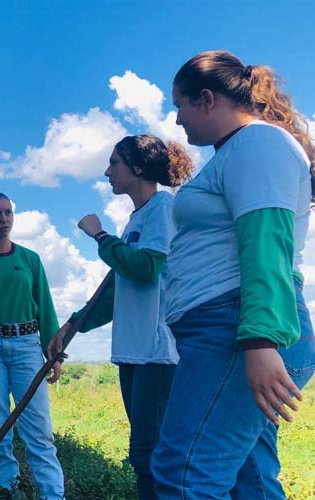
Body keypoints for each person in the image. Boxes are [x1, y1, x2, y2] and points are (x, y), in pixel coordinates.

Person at [150, 50, 315, 499]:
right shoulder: (238, 152)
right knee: (250, 478)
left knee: (185, 473)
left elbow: (267, 241)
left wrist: (259, 342)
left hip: (237, 329)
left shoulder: (258, 144)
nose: (178, 120)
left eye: (180, 104)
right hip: (230, 329)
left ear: (206, 99)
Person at [47, 136, 193, 499]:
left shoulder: (162, 207)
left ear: (138, 167)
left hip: (158, 355)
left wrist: (100, 235)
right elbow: (114, 292)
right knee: (145, 455)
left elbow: (144, 268)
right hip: (134, 353)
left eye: (114, 163)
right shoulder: (138, 219)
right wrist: (70, 327)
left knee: (152, 456)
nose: (107, 171)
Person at [0, 191, 65, 500]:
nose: (4, 219)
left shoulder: (29, 259)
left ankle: (52, 494)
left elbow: (44, 305)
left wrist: (53, 351)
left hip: (27, 346)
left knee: (38, 428)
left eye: (8, 213)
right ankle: (7, 490)